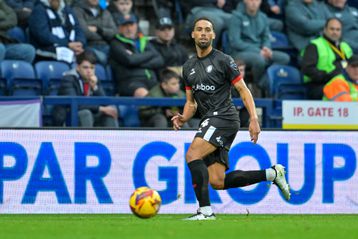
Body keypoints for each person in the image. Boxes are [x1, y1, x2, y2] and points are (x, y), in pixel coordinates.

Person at [171, 17, 290, 220]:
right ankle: (272, 174)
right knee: (217, 181)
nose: (203, 33)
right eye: (199, 29)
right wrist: (183, 117)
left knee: (192, 155)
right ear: (192, 34)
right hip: (209, 119)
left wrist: (253, 118)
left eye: (207, 30)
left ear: (213, 35)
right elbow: (191, 103)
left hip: (224, 117)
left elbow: (243, 90)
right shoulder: (188, 67)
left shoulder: (224, 61)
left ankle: (205, 212)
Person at [227, 0, 290, 91]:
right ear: (245, 1)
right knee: (259, 60)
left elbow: (266, 37)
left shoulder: (263, 17)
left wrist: (266, 48)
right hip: (239, 52)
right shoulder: (236, 17)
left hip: (260, 51)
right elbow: (235, 42)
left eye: (256, 0)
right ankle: (256, 86)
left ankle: (262, 82)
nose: (254, 3)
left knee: (284, 58)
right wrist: (258, 51)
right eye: (251, 0)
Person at [52, 50, 118, 127]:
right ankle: (86, 138)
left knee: (109, 113)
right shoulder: (68, 79)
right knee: (85, 113)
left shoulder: (94, 79)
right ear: (78, 67)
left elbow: (105, 103)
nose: (89, 71)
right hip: (68, 116)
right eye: (85, 67)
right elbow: (75, 103)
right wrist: (101, 109)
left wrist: (95, 87)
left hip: (89, 114)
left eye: (92, 68)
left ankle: (111, 138)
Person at [109, 13, 164, 97]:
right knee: (144, 94)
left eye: (131, 25)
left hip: (151, 79)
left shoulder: (144, 40)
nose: (129, 28)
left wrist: (137, 62)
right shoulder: (116, 43)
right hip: (130, 81)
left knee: (170, 92)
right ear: (120, 28)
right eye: (125, 25)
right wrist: (150, 54)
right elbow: (130, 60)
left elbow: (160, 60)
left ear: (136, 26)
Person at [301, 17, 352, 99]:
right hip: (319, 85)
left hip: (344, 82)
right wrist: (329, 76)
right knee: (341, 91)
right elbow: (307, 69)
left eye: (338, 30)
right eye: (332, 29)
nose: (335, 32)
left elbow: (353, 66)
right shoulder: (314, 45)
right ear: (325, 29)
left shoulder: (345, 46)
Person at [73, 0, 117, 65]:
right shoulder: (77, 10)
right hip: (88, 46)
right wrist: (104, 35)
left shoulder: (105, 12)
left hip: (106, 46)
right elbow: (85, 32)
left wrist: (98, 30)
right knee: (106, 60)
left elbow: (114, 33)